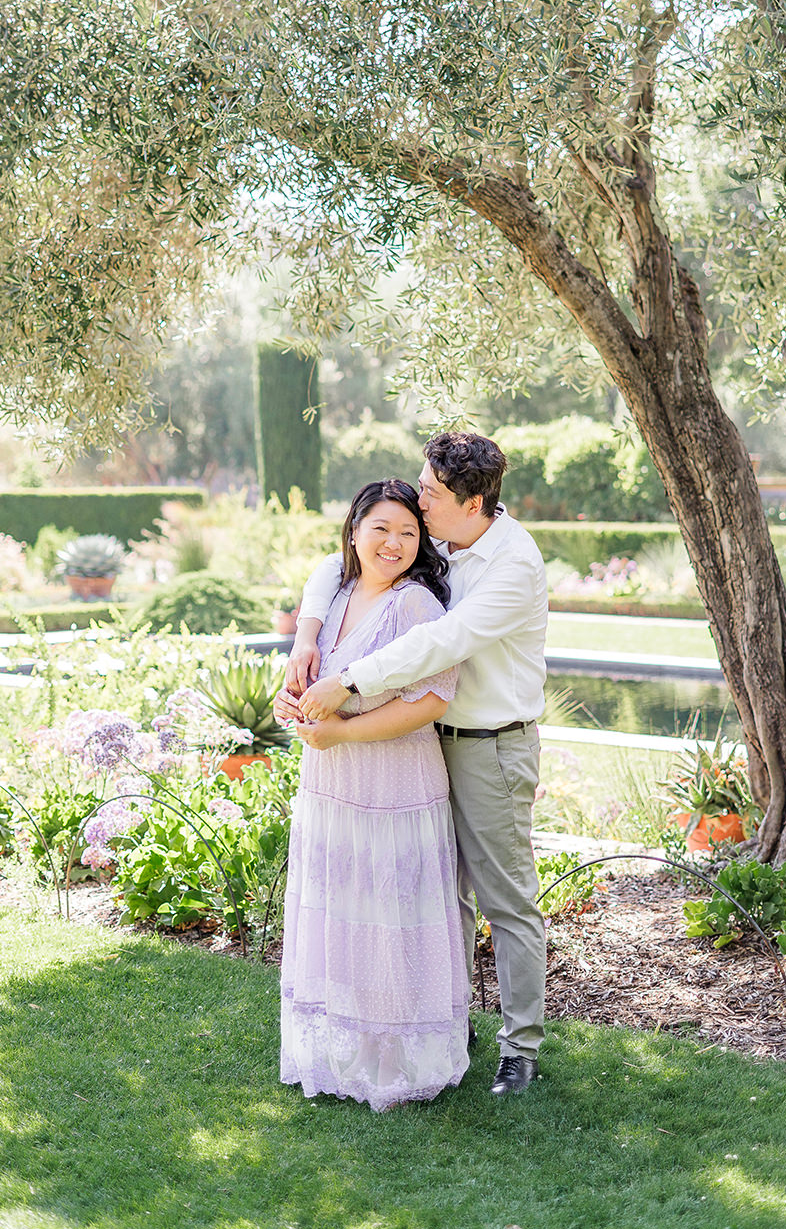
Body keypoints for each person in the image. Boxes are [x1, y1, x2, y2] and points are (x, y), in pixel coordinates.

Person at [280, 432, 548, 1097]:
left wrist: (346, 687)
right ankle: (445, 1025)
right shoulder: (438, 535)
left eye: (428, 491)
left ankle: (521, 1049)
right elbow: (337, 562)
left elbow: (441, 642)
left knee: (504, 900)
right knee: (436, 893)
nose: (419, 498)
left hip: (489, 741)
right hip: (426, 747)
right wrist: (306, 641)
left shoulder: (512, 564)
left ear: (473, 500)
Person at [278, 477, 469, 1113]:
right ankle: (340, 1051)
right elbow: (318, 680)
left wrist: (342, 732)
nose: (393, 543)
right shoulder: (335, 592)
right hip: (331, 784)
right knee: (340, 910)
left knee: (390, 920)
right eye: (381, 529)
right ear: (354, 531)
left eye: (409, 532)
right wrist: (297, 704)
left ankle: (395, 1061)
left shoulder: (416, 606)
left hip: (393, 783)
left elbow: (434, 700)